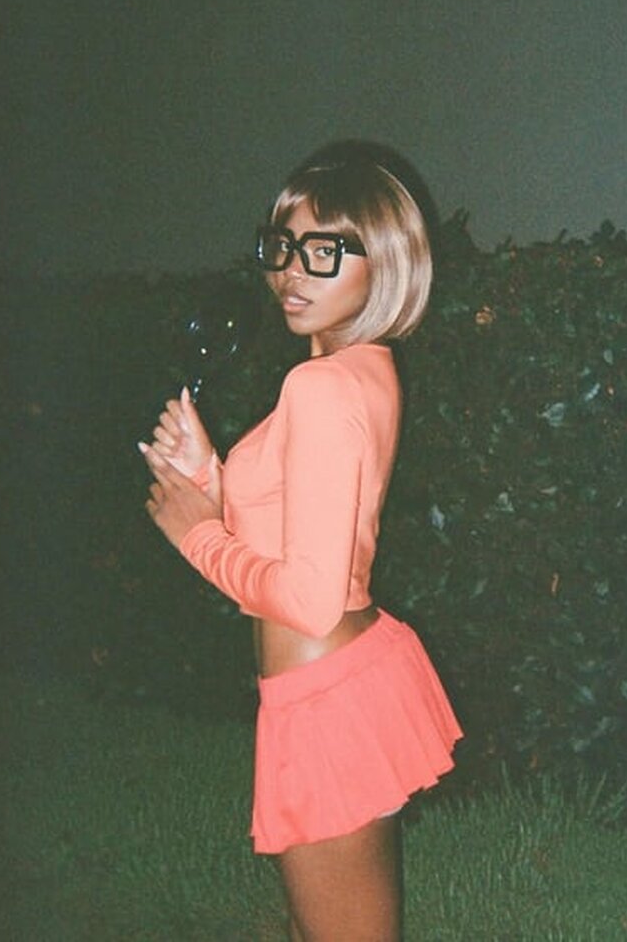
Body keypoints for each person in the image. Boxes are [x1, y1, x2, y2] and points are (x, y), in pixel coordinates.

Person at [139, 145, 462, 940]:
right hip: (343, 684)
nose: (291, 271)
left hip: (324, 699)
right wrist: (212, 478)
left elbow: (309, 598)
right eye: (282, 247)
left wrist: (197, 533)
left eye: (324, 252)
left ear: (382, 261)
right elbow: (305, 528)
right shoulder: (365, 369)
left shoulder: (318, 386)